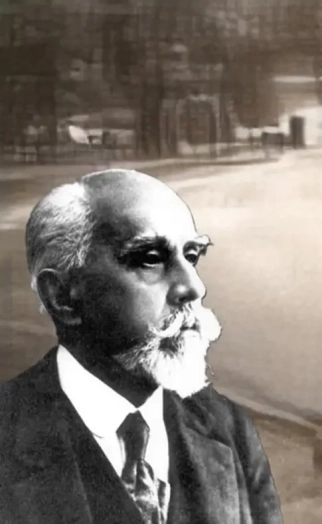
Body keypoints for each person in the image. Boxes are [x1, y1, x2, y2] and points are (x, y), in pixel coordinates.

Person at [0, 169, 284, 524]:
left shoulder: (230, 430)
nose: (194, 288)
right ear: (63, 296)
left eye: (192, 255)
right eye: (150, 258)